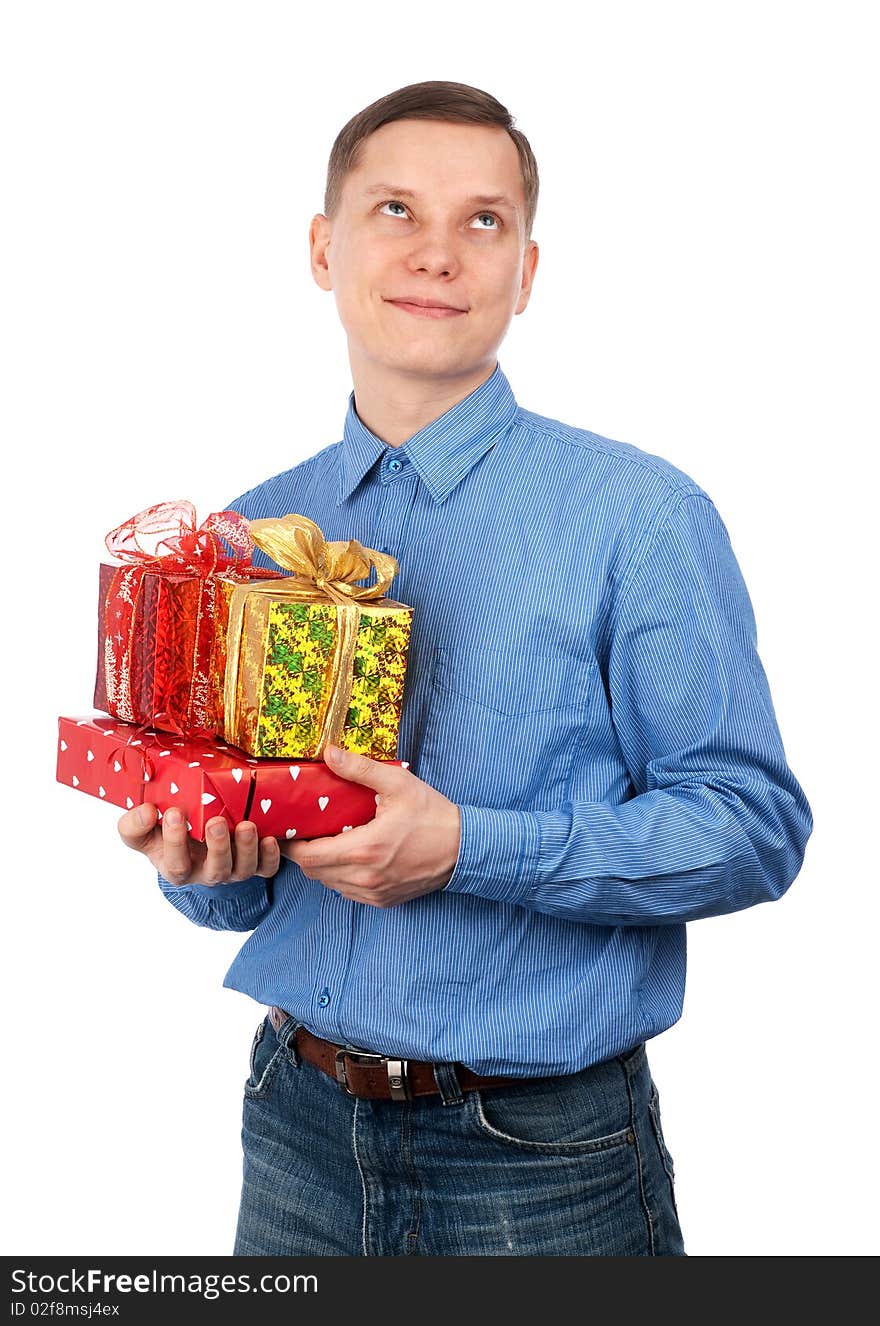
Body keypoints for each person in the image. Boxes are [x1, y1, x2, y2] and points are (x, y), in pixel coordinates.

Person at [117, 80, 813, 1257]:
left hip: (544, 1165)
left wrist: (470, 850)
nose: (437, 253)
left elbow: (752, 827)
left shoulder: (639, 519)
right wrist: (197, 860)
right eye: (395, 209)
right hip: (293, 1128)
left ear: (527, 271)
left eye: (482, 220)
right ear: (322, 247)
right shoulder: (241, 537)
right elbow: (230, 895)